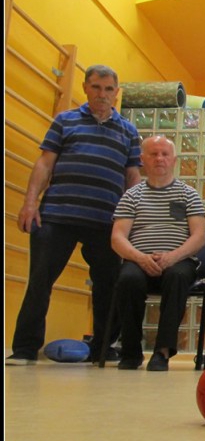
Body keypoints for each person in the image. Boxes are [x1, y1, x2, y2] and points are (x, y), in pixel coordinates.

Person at [7, 65, 142, 366]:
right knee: (40, 281)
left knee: (109, 287)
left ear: (116, 94)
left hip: (106, 222)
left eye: (109, 89)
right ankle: (25, 350)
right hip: (57, 215)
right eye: (96, 87)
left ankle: (102, 349)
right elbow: (44, 164)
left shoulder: (129, 131)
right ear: (85, 87)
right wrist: (30, 203)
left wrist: (130, 222)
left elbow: (132, 177)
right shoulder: (65, 121)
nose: (102, 94)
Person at [110, 135, 205, 371]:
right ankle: (131, 352)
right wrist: (140, 258)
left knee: (177, 276)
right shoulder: (131, 196)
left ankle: (162, 352)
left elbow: (199, 237)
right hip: (139, 260)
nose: (159, 159)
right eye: (153, 154)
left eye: (165, 154)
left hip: (179, 261)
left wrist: (172, 257)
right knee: (128, 279)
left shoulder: (189, 195)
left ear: (174, 160)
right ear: (143, 160)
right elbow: (117, 237)